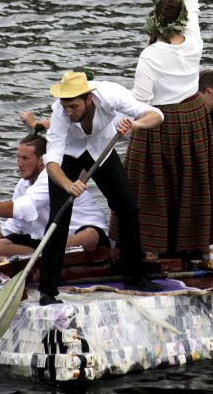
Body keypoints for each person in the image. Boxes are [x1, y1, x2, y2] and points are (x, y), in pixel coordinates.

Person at [124, 0, 213, 264]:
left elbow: (140, 101)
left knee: (156, 186)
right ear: (179, 20)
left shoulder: (150, 55)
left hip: (160, 122)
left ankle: (152, 250)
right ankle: (207, 249)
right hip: (193, 117)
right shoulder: (194, 39)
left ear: (155, 21)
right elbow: (193, 5)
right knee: (196, 182)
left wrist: (123, 119)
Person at [40, 70, 164, 301]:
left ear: (88, 99)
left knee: (128, 208)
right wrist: (68, 185)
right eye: (65, 107)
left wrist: (134, 125)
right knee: (59, 218)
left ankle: (135, 276)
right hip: (68, 154)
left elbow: (155, 114)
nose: (69, 112)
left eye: (74, 107)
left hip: (101, 149)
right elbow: (52, 161)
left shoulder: (111, 94)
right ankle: (48, 290)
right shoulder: (59, 112)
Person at [0, 131, 109, 257]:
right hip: (48, 240)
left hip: (85, 234)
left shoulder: (50, 178)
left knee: (89, 235)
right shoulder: (22, 185)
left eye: (25, 158)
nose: (19, 164)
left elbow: (18, 209)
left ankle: (40, 257)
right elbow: (13, 227)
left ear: (42, 161)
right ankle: (39, 255)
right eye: (17, 158)